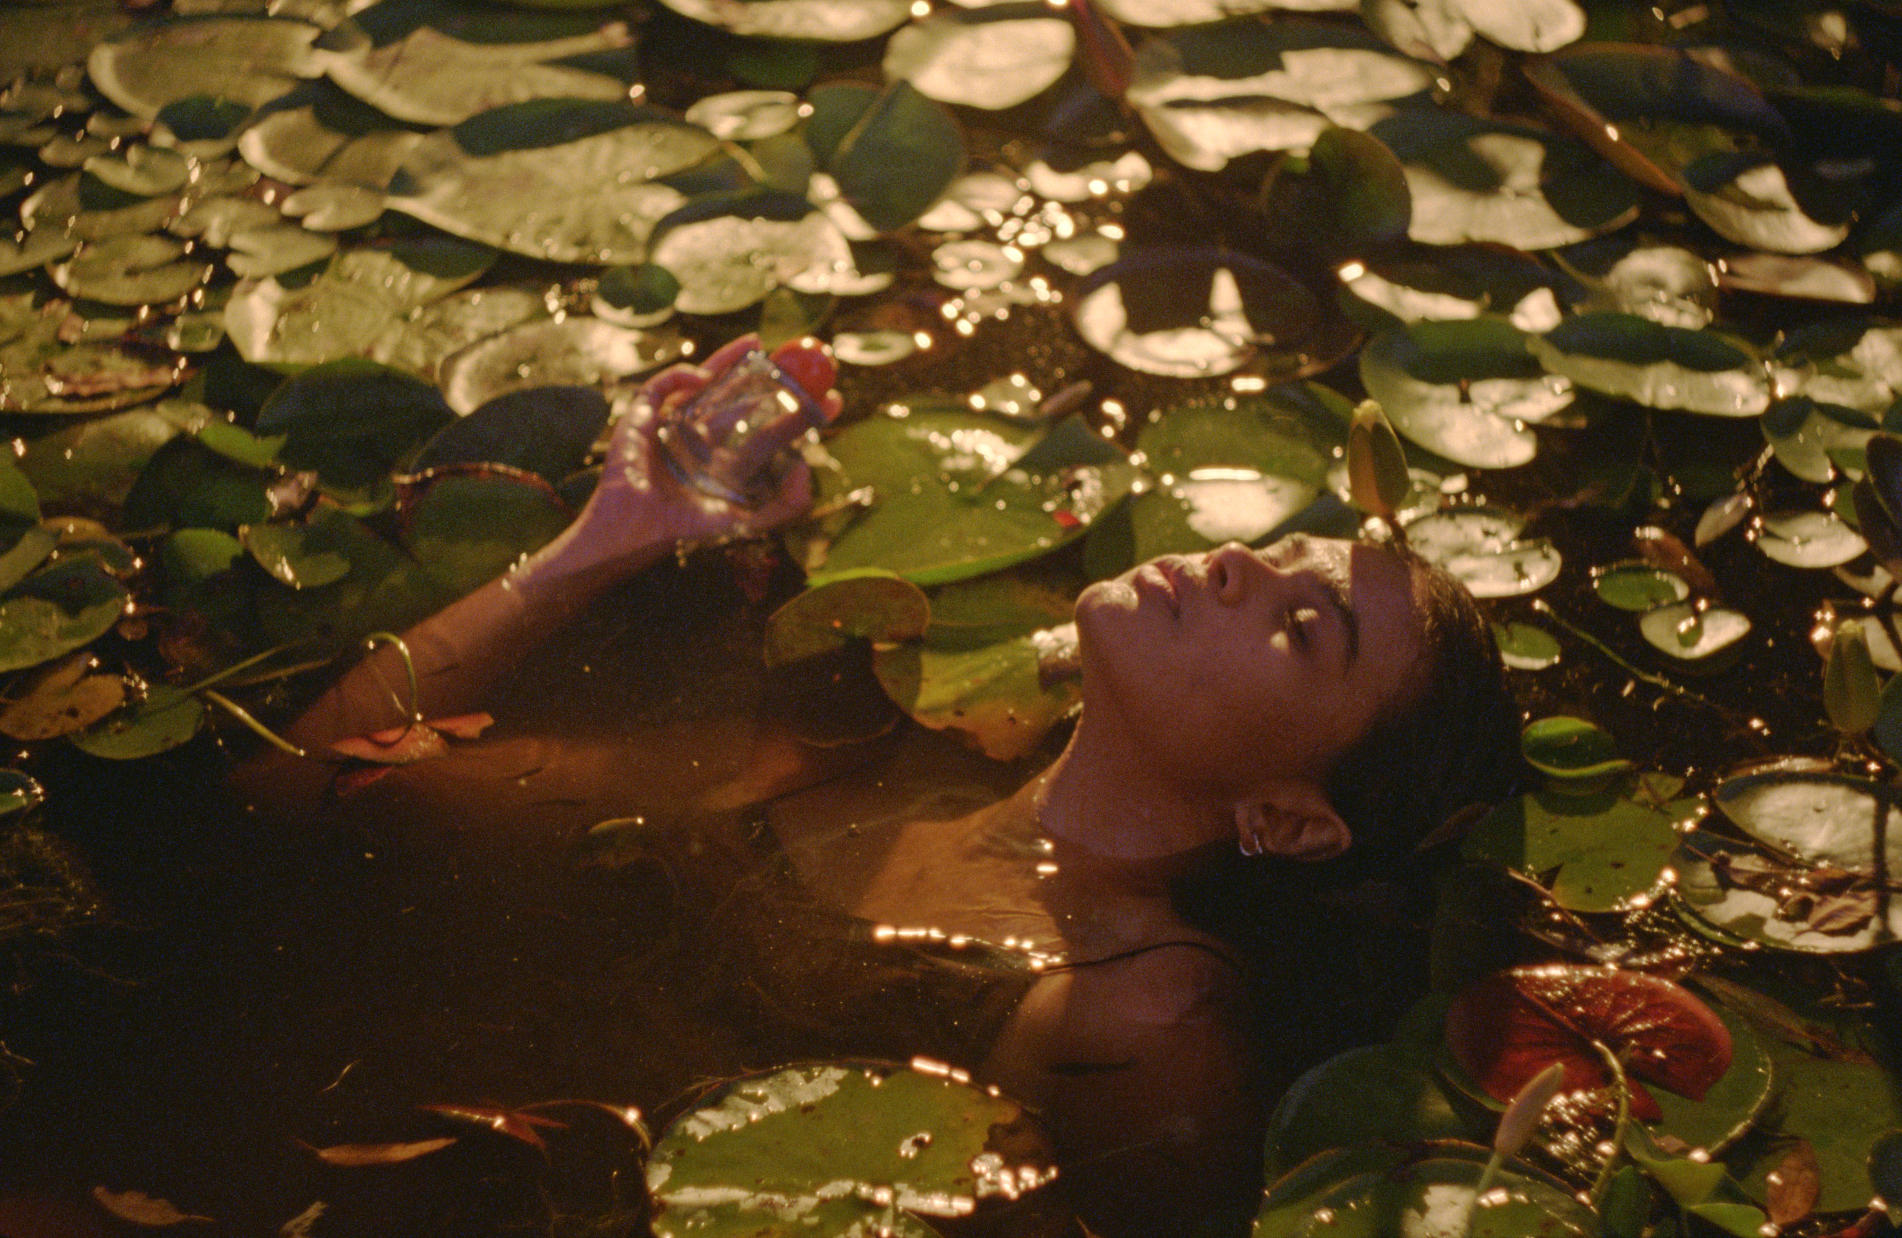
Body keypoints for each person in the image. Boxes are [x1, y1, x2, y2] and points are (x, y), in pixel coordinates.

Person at [258, 336, 1522, 1238]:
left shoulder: (1148, 1018)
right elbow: (300, 789)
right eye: (1285, 548)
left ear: (1288, 819)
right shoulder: (889, 749)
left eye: (1305, 630)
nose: (1242, 559)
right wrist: (613, 537)